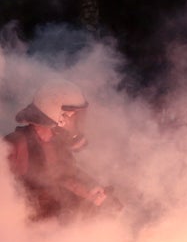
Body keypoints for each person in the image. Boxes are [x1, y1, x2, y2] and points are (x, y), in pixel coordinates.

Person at [4, 78, 116, 221]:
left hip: (51, 225)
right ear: (55, 115)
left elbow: (65, 176)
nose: (75, 123)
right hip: (24, 228)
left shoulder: (56, 144)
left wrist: (91, 191)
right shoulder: (16, 144)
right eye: (72, 117)